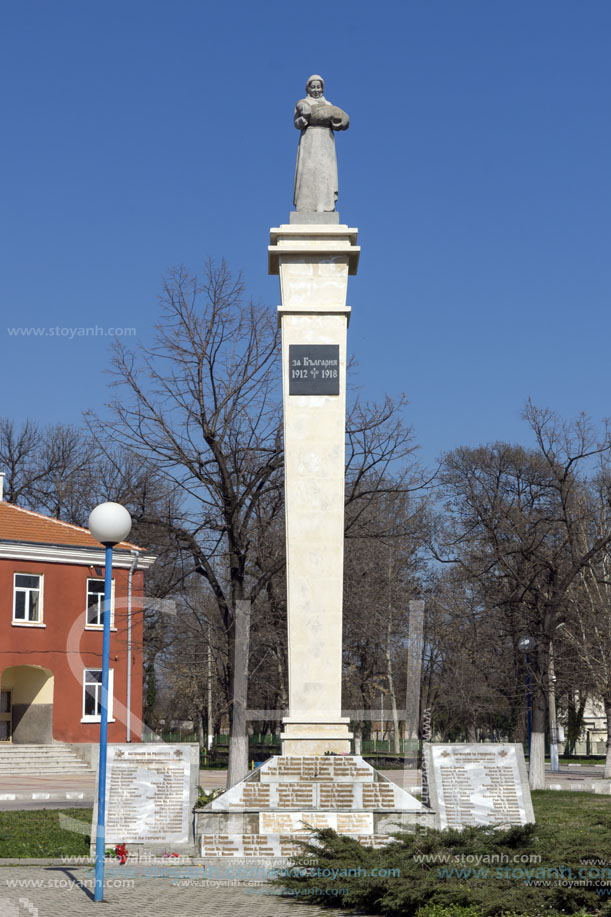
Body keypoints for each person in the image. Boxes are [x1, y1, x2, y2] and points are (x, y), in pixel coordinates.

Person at [293, 75, 349, 213]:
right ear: (308, 88)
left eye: (318, 87)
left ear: (322, 89)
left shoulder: (329, 106)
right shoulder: (303, 103)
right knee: (308, 170)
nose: (316, 90)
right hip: (309, 139)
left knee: (324, 172)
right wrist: (305, 117)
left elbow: (342, 121)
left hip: (325, 140)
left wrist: (336, 117)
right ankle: (306, 206)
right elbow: (297, 123)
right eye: (313, 87)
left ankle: (324, 206)